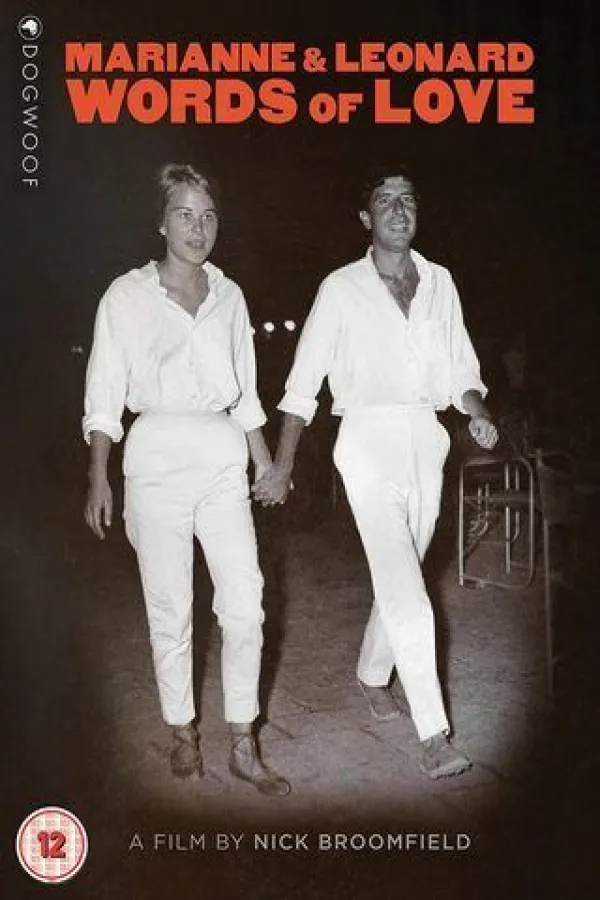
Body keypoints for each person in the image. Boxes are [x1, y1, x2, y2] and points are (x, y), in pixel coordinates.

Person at [253, 165, 498, 780]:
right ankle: (434, 735)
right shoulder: (340, 288)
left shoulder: (440, 282)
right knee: (407, 588)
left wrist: (477, 412)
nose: (398, 209)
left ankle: (370, 673)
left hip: (427, 440)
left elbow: (461, 371)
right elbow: (302, 385)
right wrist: (282, 464)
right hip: (365, 439)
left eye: (407, 199)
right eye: (385, 201)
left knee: (404, 571)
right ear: (366, 218)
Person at [83, 163, 289, 795]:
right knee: (170, 606)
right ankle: (182, 732)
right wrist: (99, 476)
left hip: (222, 455)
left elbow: (246, 396)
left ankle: (243, 741)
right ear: (161, 223)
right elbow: (103, 394)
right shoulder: (125, 297)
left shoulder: (231, 296)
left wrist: (265, 463)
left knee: (245, 601)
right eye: (184, 215)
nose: (198, 229)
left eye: (208, 216)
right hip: (153, 458)